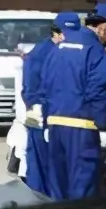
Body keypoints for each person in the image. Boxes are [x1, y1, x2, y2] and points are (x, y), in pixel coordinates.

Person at [38, 3, 106, 199]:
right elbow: (98, 88)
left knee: (59, 187)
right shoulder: (94, 49)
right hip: (82, 127)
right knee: (82, 189)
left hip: (55, 126)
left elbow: (46, 84)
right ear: (102, 27)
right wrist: (101, 125)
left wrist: (47, 118)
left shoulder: (59, 47)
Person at [21, 12, 81, 194]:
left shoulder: (66, 51)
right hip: (41, 122)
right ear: (56, 32)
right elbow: (31, 90)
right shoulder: (40, 54)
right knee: (42, 174)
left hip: (59, 120)